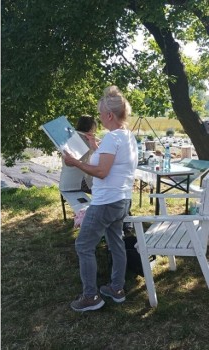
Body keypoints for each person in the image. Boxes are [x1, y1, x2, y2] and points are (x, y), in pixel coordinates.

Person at [63, 86, 138, 312]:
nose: (99, 118)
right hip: (122, 200)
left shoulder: (112, 138)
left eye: (100, 114)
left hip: (106, 202)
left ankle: (90, 297)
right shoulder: (127, 136)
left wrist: (75, 162)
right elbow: (113, 164)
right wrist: (95, 146)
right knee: (116, 243)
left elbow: (102, 172)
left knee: (84, 245)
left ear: (109, 115)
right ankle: (116, 288)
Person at [59, 115, 98, 194]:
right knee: (106, 189)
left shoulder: (70, 138)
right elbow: (99, 157)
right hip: (77, 182)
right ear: (91, 127)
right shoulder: (85, 140)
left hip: (65, 181)